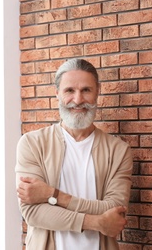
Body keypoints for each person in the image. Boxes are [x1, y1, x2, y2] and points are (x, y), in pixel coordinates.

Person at [15, 58, 133, 250]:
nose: (78, 100)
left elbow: (114, 210)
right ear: (57, 94)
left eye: (86, 90)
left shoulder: (118, 150)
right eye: (70, 90)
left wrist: (52, 195)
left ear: (97, 93)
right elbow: (33, 213)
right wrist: (97, 222)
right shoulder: (32, 143)